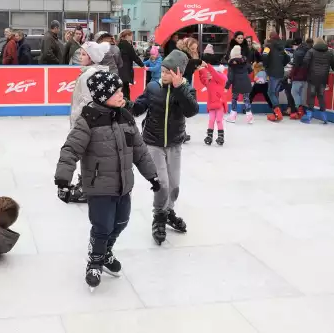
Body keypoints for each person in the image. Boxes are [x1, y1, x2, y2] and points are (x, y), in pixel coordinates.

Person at [55, 70, 159, 291]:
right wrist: (63, 181)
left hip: (123, 184)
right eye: (117, 91)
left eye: (122, 90)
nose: (123, 94)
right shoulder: (88, 121)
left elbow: (139, 151)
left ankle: (105, 252)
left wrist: (152, 175)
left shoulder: (126, 117)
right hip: (99, 186)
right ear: (103, 96)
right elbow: (70, 150)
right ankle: (94, 261)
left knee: (121, 222)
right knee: (102, 226)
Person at [132, 50, 199, 245]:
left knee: (174, 185)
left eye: (168, 72)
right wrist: (123, 105)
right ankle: (159, 217)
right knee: (162, 183)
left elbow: (191, 110)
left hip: (174, 142)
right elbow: (138, 107)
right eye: (162, 71)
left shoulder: (187, 90)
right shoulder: (153, 87)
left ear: (178, 73)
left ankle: (168, 211)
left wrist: (179, 88)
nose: (163, 74)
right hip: (153, 142)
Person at [66, 42, 111, 204]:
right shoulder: (94, 73)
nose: (80, 56)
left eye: (84, 54)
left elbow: (86, 103)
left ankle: (87, 187)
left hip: (85, 123)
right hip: (90, 123)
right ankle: (88, 183)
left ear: (92, 58)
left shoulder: (88, 75)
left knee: (86, 154)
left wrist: (78, 125)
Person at [300, 38, 334, 124]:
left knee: (311, 95)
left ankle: (309, 117)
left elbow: (305, 62)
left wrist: (306, 70)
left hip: (312, 77)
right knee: (321, 95)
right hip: (323, 78)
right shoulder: (329, 53)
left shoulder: (311, 51)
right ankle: (324, 117)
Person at [263, 32, 290, 122]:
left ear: (270, 37)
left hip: (272, 72)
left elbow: (264, 56)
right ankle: (276, 113)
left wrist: (266, 66)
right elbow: (288, 58)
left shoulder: (268, 46)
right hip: (280, 73)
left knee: (271, 92)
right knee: (275, 92)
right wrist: (282, 64)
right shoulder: (282, 47)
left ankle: (278, 113)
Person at [198, 60, 227, 145]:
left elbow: (214, 73)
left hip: (219, 105)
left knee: (218, 120)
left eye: (211, 74)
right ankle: (209, 136)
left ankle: (221, 136)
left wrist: (207, 65)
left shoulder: (220, 81)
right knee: (211, 120)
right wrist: (200, 70)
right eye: (209, 74)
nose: (209, 74)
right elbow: (203, 79)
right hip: (211, 105)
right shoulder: (209, 82)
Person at [225, 45, 253, 124]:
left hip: (236, 84)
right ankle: (249, 117)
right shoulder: (245, 61)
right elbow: (250, 70)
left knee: (234, 99)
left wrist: (227, 86)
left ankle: (233, 116)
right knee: (246, 99)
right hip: (246, 83)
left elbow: (230, 77)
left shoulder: (231, 64)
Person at [117, 29, 144, 98]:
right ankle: (127, 105)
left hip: (119, 69)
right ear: (127, 36)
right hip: (126, 70)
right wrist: (142, 65)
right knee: (126, 89)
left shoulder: (119, 44)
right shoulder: (127, 45)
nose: (132, 37)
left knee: (122, 88)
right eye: (131, 35)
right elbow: (134, 56)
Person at [289, 38, 309, 119]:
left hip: (298, 76)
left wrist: (290, 75)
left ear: (296, 44)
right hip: (305, 76)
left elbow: (295, 66)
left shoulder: (297, 53)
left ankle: (300, 111)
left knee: (294, 92)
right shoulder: (307, 50)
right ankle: (300, 111)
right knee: (299, 93)